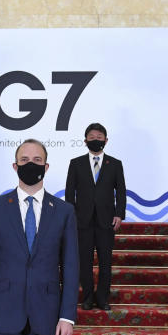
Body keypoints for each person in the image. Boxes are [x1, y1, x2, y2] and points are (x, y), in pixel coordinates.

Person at [0, 139, 80, 335]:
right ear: (15, 166)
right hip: (3, 315)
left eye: (37, 160)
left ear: (46, 166)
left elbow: (71, 269)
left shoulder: (64, 212)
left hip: (48, 317)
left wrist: (67, 317)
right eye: (24, 160)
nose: (30, 164)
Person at [64, 123, 126, 311]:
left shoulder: (115, 164)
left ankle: (102, 298)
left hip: (107, 220)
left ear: (106, 141)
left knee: (106, 261)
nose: (96, 140)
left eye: (99, 137)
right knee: (85, 261)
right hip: (82, 220)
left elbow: (121, 191)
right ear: (85, 141)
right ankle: (88, 297)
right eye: (92, 137)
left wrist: (119, 214)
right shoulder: (76, 163)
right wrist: (71, 215)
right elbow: (69, 192)